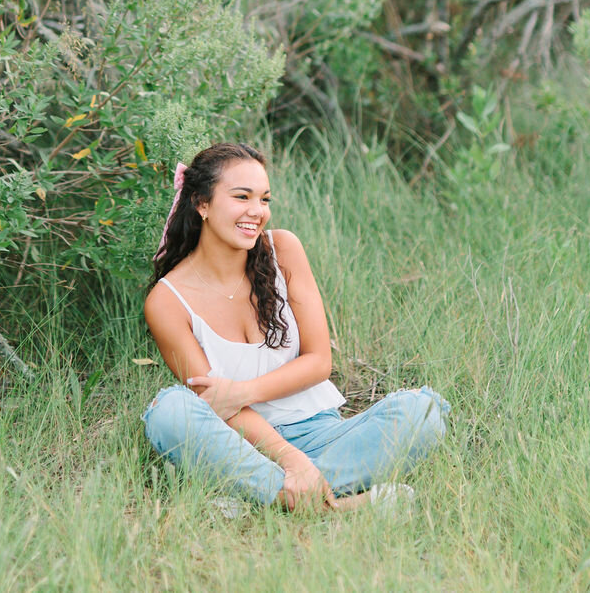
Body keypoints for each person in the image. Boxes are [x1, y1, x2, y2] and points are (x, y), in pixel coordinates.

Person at [141, 143, 450, 511]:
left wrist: (244, 391)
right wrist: (290, 459)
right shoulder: (167, 300)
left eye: (264, 199)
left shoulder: (283, 250)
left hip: (323, 433)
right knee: (168, 411)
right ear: (201, 203)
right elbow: (217, 405)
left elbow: (319, 361)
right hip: (241, 443)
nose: (256, 212)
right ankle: (334, 506)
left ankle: (266, 497)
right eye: (242, 197)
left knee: (424, 411)